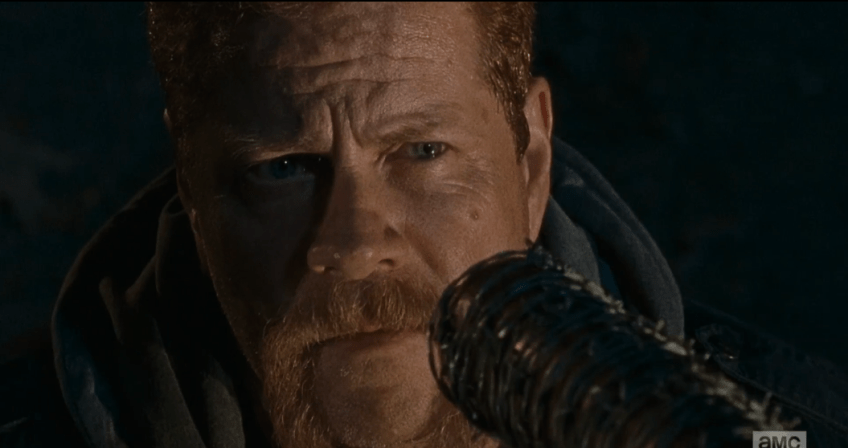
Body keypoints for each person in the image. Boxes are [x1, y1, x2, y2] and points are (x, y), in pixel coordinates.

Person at [1, 2, 846, 447]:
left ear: (530, 158)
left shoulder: (797, 430)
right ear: (191, 185)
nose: (355, 244)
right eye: (283, 168)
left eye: (424, 151)